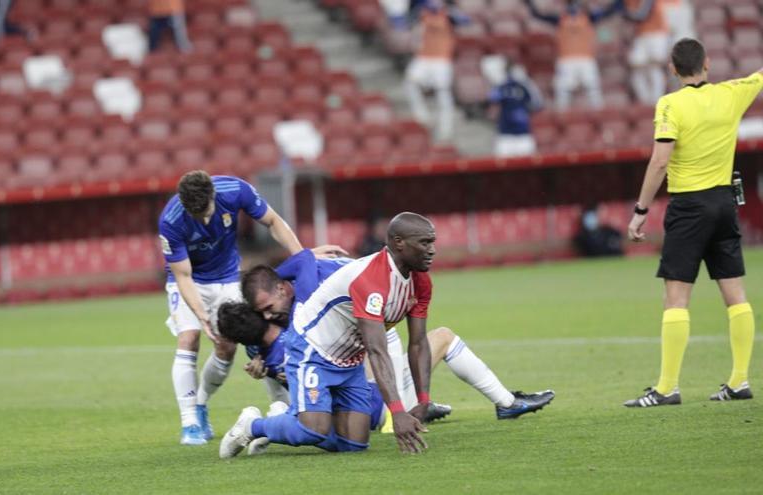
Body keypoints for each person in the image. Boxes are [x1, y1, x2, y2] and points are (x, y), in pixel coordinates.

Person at [236, 249, 553, 422]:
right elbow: (304, 258)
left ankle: (416, 405)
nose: (268, 314)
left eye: (268, 306)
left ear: (281, 288)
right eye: (262, 312)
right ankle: (501, 403)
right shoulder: (301, 296)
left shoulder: (293, 314)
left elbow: (304, 260)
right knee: (438, 339)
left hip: (361, 353)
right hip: (368, 364)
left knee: (423, 342)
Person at [219, 212, 438, 457]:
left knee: (354, 445)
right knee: (313, 430)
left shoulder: (421, 283)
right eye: (425, 243)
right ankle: (253, 425)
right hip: (312, 347)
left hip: (349, 357)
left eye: (432, 242)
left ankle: (284, 421)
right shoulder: (371, 281)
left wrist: (423, 400)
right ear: (399, 242)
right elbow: (376, 350)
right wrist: (398, 411)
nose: (432, 250)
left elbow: (418, 343)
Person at [624, 39, 762, 407]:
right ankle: (739, 381)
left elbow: (659, 162)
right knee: (735, 295)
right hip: (724, 203)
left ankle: (667, 388)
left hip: (689, 207)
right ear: (708, 64)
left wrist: (640, 211)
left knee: (676, 297)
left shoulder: (670, 104)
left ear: (672, 69)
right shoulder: (732, 94)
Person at [159, 170, 321, 445]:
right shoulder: (171, 220)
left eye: (207, 211)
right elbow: (183, 275)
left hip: (226, 276)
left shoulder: (236, 190)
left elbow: (272, 220)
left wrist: (303, 258)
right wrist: (200, 315)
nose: (205, 220)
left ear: (213, 195)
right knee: (190, 337)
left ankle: (213, 404)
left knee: (241, 341)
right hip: (188, 281)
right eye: (197, 216)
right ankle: (190, 423)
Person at [524, 0, 622, 110]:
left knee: (592, 88)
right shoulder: (559, 20)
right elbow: (538, 14)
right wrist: (528, 3)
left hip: (586, 59)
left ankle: (599, 113)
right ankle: (562, 115)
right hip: (566, 60)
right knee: (562, 89)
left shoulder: (589, 18)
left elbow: (609, 12)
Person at [403, 0, 469, 141]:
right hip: (424, 57)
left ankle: (446, 128)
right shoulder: (421, 11)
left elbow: (465, 21)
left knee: (443, 92)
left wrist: (448, 10)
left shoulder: (448, 13)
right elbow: (407, 21)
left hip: (442, 59)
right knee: (410, 83)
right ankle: (422, 115)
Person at [488, 61, 544, 157]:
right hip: (505, 135)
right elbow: (491, 104)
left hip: (523, 134)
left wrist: (526, 81)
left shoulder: (524, 85)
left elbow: (538, 104)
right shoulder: (500, 86)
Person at [624, 0, 669, 105]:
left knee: (654, 67)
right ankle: (645, 101)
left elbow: (641, 14)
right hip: (641, 36)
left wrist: (624, 13)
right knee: (636, 66)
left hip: (657, 34)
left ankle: (656, 99)